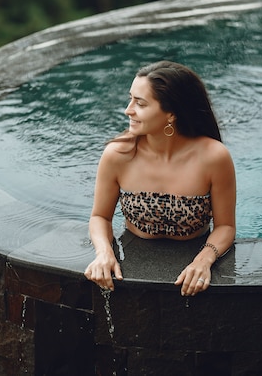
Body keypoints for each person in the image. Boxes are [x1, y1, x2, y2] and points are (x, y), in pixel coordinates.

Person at [84, 60, 236, 296]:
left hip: (194, 248)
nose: (128, 109)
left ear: (171, 114)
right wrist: (104, 252)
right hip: (133, 252)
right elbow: (99, 217)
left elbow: (225, 225)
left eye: (140, 103)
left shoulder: (213, 157)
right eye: (130, 98)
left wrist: (204, 260)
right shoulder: (118, 154)